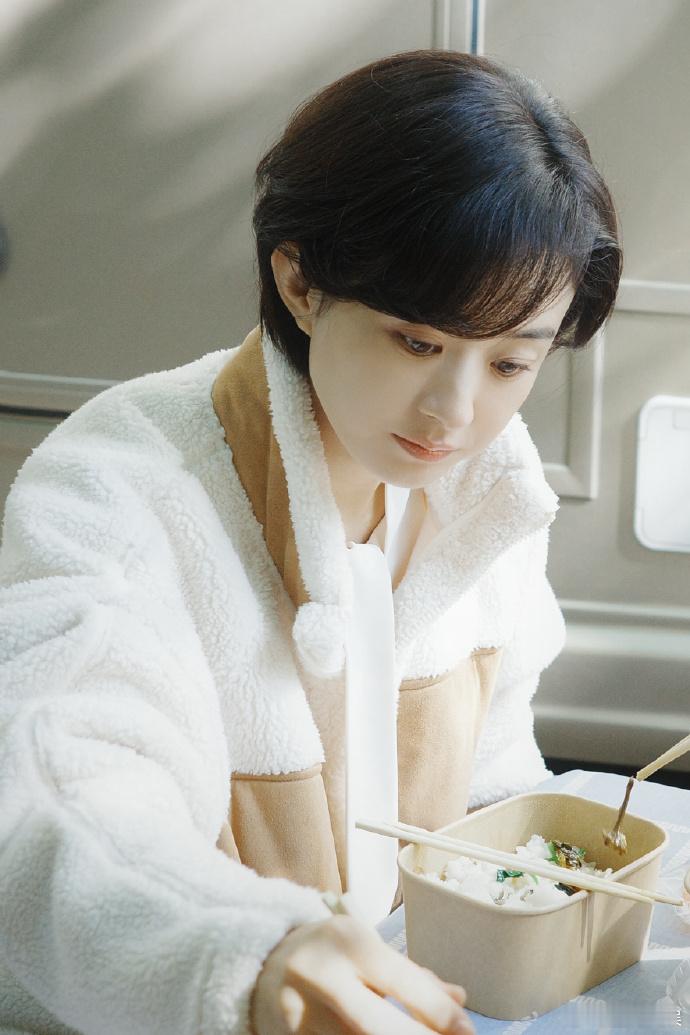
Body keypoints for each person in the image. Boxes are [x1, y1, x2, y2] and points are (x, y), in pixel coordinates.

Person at [0, 49, 620, 1035]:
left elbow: (495, 789)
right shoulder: (117, 490)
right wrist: (249, 952)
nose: (455, 412)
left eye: (511, 362)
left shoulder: (489, 498)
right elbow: (53, 801)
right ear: (298, 280)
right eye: (417, 342)